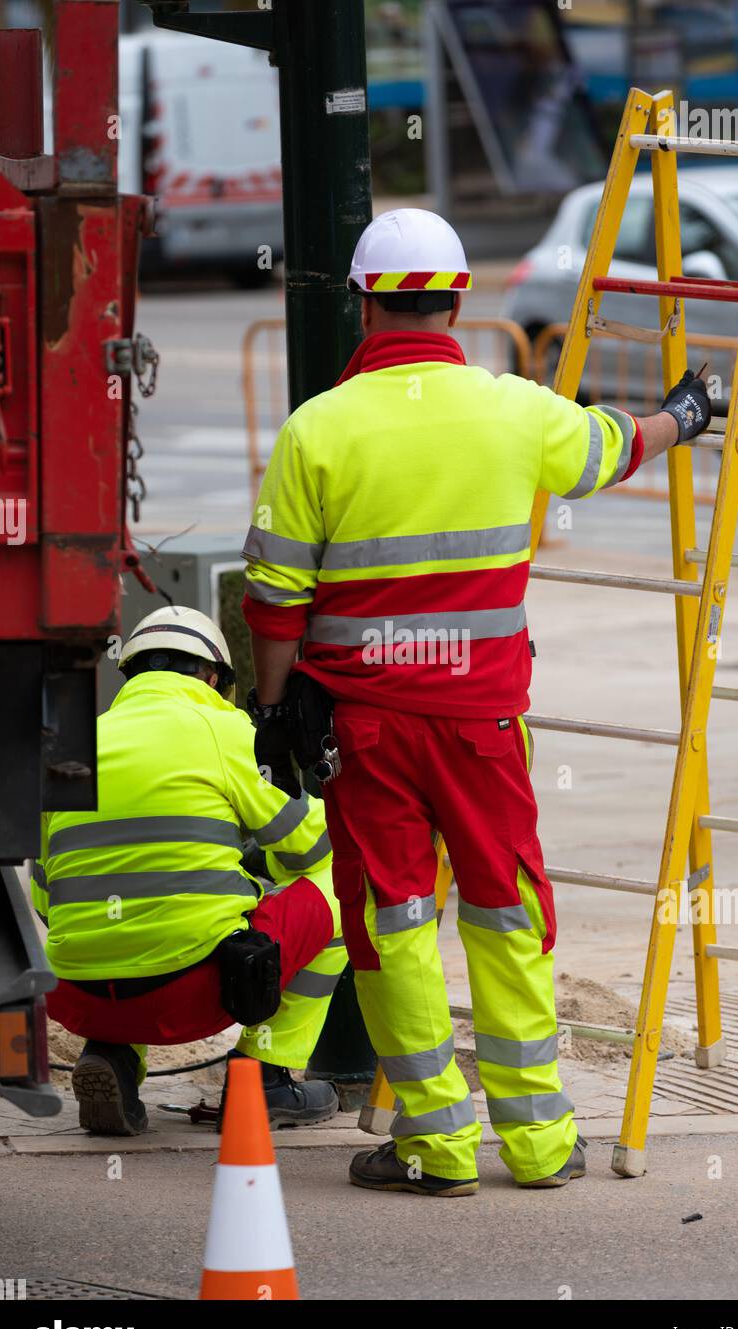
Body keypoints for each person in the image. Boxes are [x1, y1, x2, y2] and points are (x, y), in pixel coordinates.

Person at [240, 208, 711, 1196]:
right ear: (457, 300)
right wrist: (686, 414)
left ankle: (435, 1146)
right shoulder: (511, 408)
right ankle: (540, 1144)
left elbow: (274, 602)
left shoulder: (314, 429)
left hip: (362, 729)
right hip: (483, 722)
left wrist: (274, 711)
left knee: (394, 922)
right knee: (504, 909)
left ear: (364, 303)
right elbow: (607, 447)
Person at [31, 606, 346, 1137]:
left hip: (75, 996)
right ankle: (263, 1077)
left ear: (130, 674)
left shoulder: (71, 744)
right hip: (194, 997)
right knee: (339, 882)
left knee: (118, 921)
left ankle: (114, 1058)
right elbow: (313, 847)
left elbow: (48, 900)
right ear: (211, 677)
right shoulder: (225, 728)